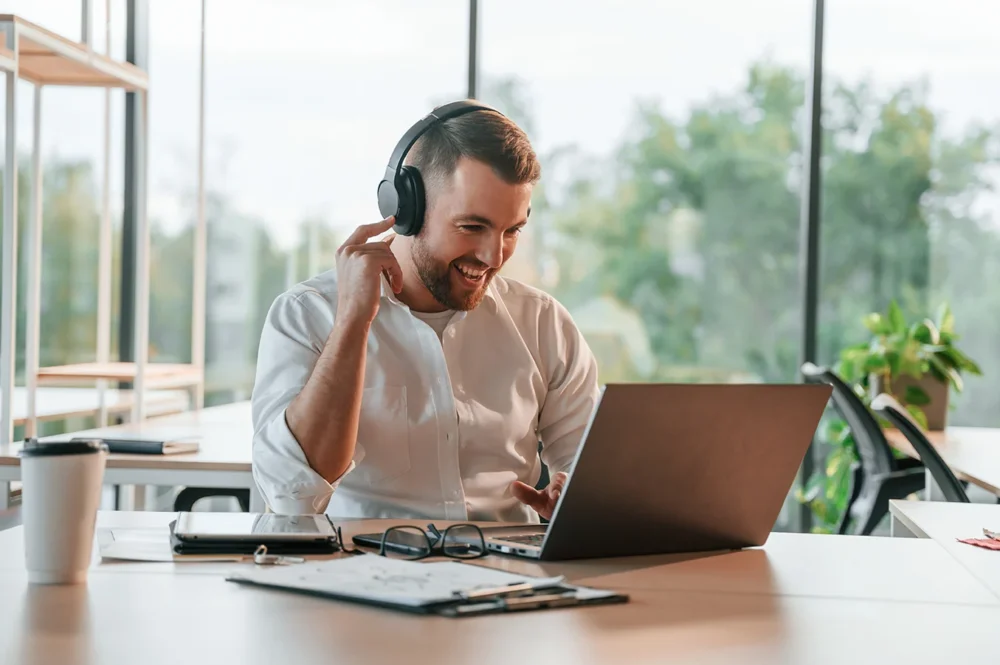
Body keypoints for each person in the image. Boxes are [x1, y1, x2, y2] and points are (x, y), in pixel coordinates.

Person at [250, 101, 599, 523]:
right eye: (472, 227)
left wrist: (577, 498)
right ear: (406, 209)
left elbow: (596, 475)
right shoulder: (308, 315)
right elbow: (294, 497)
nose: (493, 256)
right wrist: (352, 323)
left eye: (512, 231)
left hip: (506, 576)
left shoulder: (543, 324)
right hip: (362, 573)